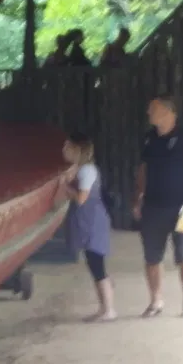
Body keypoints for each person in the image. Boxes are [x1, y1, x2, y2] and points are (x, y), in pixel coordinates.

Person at [134, 95, 183, 317]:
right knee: (152, 257)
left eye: (153, 109)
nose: (149, 113)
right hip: (153, 206)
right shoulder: (149, 138)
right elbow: (143, 169)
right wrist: (138, 195)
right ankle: (156, 301)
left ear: (168, 112)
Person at [62, 133, 114, 321]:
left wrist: (64, 186)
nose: (64, 150)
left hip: (93, 222)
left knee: (97, 265)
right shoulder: (81, 169)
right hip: (88, 222)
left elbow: (81, 198)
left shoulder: (87, 171)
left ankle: (108, 310)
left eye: (68, 147)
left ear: (77, 149)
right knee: (95, 264)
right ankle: (105, 307)